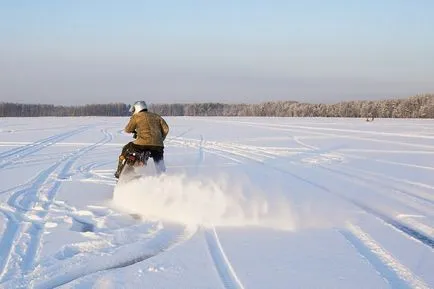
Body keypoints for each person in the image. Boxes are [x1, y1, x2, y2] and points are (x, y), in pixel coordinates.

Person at [114, 101, 169, 178]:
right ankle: (162, 178)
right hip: (158, 145)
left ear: (137, 108)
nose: (133, 112)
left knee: (126, 148)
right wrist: (160, 139)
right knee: (159, 164)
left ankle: (120, 172)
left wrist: (135, 131)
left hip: (142, 144)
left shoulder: (136, 116)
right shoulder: (157, 116)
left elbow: (127, 129)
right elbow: (166, 129)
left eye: (133, 110)